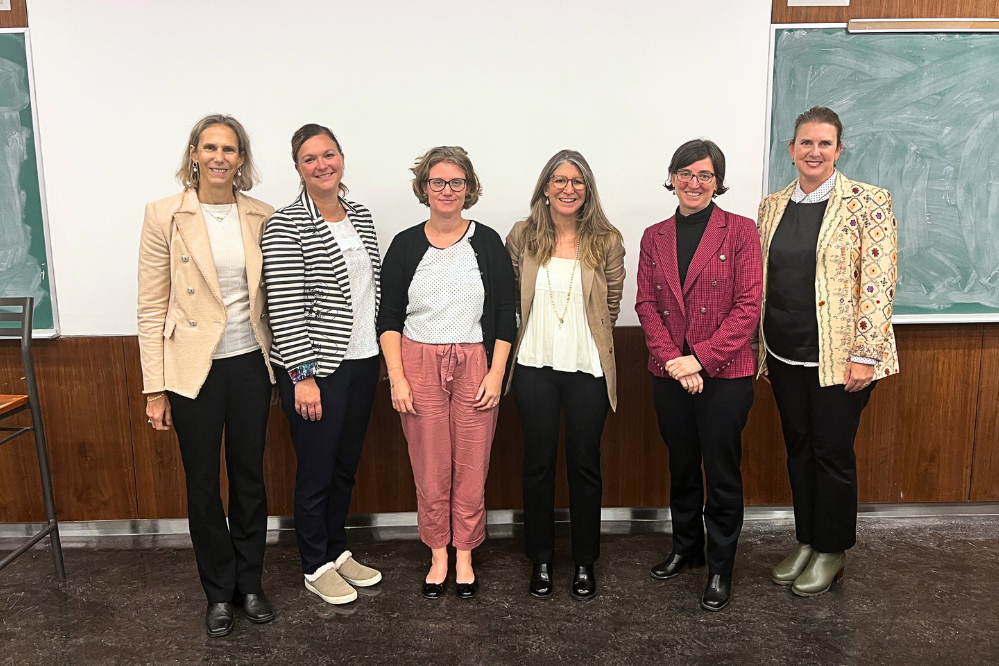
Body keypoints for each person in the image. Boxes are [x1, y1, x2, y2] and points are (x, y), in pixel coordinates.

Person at [137, 114, 275, 637]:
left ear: (242, 159)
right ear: (193, 152)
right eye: (210, 147)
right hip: (192, 368)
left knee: (249, 480)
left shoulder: (263, 214)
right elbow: (151, 306)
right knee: (202, 486)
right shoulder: (163, 215)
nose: (220, 157)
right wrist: (154, 388)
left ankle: (250, 583)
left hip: (249, 364)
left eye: (231, 149)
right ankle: (217, 592)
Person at [758, 106, 898, 597]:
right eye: (805, 143)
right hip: (784, 354)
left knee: (831, 454)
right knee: (798, 451)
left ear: (839, 150)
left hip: (843, 360)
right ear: (791, 149)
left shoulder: (868, 202)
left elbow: (878, 286)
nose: (813, 152)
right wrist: (764, 355)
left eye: (824, 144)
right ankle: (807, 540)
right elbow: (766, 283)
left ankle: (832, 550)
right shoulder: (771, 207)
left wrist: (866, 353)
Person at [377, 146, 517, 600]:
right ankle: (438, 549)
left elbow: (503, 314)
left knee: (472, 464)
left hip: (475, 362)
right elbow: (389, 318)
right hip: (417, 363)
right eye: (437, 181)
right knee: (431, 465)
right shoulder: (404, 244)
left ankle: (465, 552)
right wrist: (397, 377)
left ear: (469, 188)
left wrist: (496, 374)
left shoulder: (488, 242)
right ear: (423, 188)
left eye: (456, 182)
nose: (447, 190)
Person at [636, 139, 762, 612]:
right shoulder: (654, 235)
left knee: (722, 473)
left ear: (717, 182)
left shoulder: (741, 231)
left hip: (725, 375)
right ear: (671, 177)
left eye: (705, 175)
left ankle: (719, 566)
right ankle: (684, 547)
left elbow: (749, 305)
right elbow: (646, 303)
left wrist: (701, 359)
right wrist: (674, 360)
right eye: (685, 173)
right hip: (669, 373)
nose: (694, 182)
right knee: (682, 466)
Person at [261, 124, 384, 605]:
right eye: (309, 158)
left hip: (362, 360)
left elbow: (370, 292)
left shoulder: (362, 217)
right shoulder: (285, 224)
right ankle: (314, 564)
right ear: (298, 168)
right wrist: (301, 377)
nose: (321, 164)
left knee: (345, 467)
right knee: (316, 470)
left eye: (328, 154)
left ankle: (337, 550)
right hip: (316, 370)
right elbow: (285, 306)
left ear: (342, 158)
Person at [505, 150, 625, 601]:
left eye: (577, 181)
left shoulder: (607, 240)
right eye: (559, 180)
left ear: (588, 189)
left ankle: (583, 562)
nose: (568, 188)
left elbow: (611, 306)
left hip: (587, 367)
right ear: (545, 187)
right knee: (537, 465)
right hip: (534, 364)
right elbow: (512, 298)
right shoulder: (522, 235)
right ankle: (540, 559)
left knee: (584, 465)